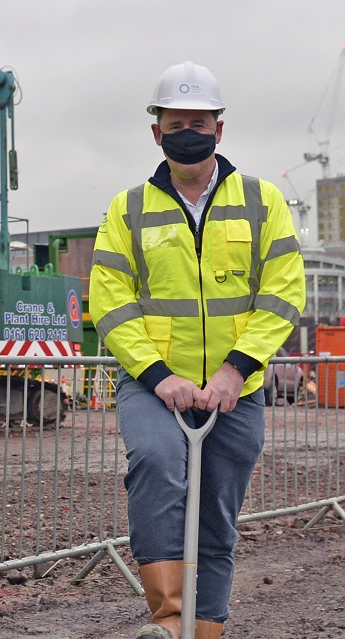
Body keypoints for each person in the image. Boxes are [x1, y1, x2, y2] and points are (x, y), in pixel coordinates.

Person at [89, 62, 305, 639]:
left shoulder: (262, 202)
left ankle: (204, 633)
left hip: (237, 391)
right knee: (158, 466)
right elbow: (110, 301)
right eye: (175, 122)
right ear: (156, 133)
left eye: (199, 121)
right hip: (153, 385)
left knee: (216, 521)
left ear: (219, 129)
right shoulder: (127, 209)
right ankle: (167, 621)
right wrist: (158, 376)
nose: (188, 131)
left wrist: (237, 370)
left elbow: (283, 293)